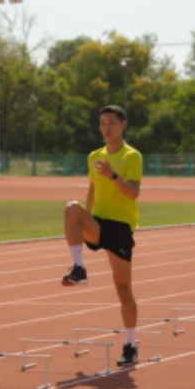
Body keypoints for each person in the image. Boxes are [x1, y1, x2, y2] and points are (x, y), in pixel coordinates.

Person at [62, 104, 142, 367]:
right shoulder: (94, 155)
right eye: (102, 124)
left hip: (119, 228)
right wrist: (87, 216)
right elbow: (92, 189)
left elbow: (133, 192)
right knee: (72, 209)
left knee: (123, 290)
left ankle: (130, 345)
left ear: (123, 125)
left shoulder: (132, 156)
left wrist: (113, 175)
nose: (105, 128)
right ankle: (78, 268)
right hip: (98, 222)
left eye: (111, 123)